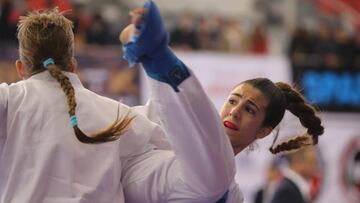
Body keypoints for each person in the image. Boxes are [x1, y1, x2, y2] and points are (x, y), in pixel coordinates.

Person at [0, 2, 238, 203]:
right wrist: (162, 64)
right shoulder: (122, 121)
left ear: (20, 68)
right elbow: (207, 183)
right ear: (73, 65)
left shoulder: (8, 103)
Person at [121, 1, 325, 202]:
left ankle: (160, 60)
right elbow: (127, 33)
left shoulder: (230, 195)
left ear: (263, 131)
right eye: (232, 101)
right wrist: (139, 40)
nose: (234, 112)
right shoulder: (162, 118)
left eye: (250, 110)